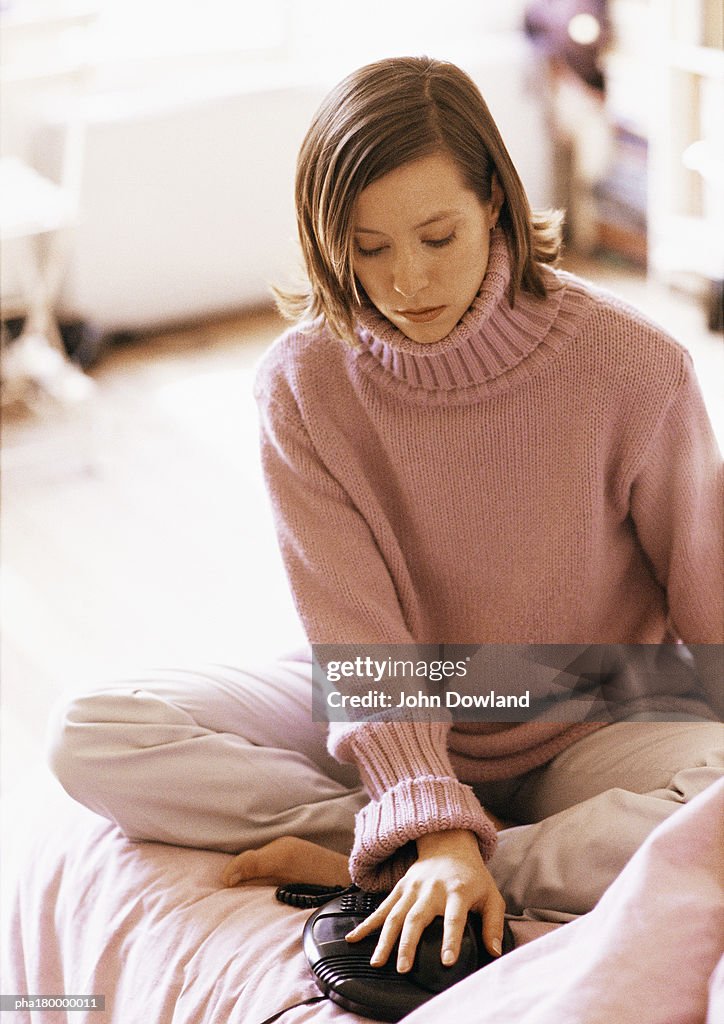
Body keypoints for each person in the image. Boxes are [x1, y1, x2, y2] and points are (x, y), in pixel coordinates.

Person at [49, 56, 723, 978]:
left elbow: (710, 596)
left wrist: (461, 842)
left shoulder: (636, 369)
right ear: (331, 242)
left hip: (591, 720)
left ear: (494, 202)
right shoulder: (304, 386)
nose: (406, 281)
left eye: (437, 237)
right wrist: (423, 815)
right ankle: (408, 848)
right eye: (369, 249)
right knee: (96, 734)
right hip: (389, 697)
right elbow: (357, 635)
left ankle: (461, 864)